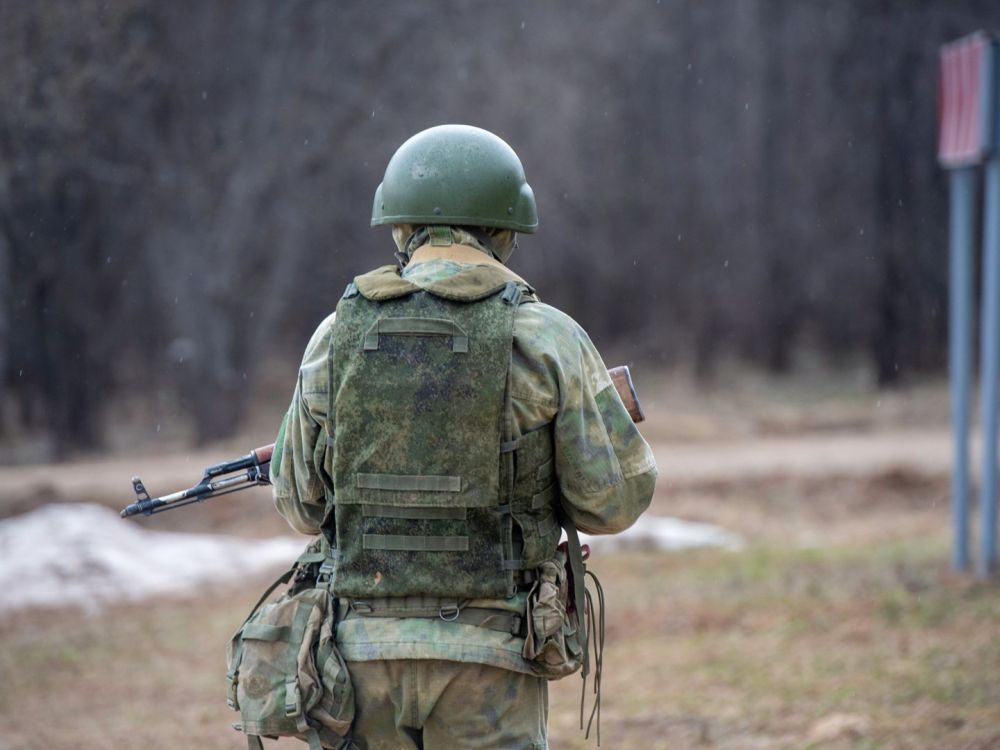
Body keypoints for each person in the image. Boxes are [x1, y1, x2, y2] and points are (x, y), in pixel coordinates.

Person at [270, 124, 657, 750]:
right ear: (506, 232)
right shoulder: (548, 336)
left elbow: (299, 505)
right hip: (492, 659)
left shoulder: (332, 335)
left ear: (400, 228)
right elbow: (611, 503)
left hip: (358, 667)